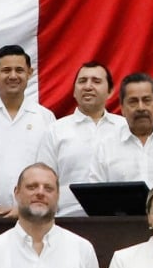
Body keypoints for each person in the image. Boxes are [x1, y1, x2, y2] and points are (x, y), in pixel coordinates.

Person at [0, 44, 56, 219]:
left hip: (31, 216)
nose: (13, 76)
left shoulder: (45, 117)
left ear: (29, 73)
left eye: (19, 70)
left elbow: (49, 170)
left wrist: (23, 208)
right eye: (6, 70)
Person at [51, 60, 134, 217]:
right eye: (82, 81)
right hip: (68, 220)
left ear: (110, 91)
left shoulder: (126, 127)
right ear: (74, 91)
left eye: (96, 81)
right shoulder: (55, 130)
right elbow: (45, 179)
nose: (88, 86)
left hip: (120, 221)